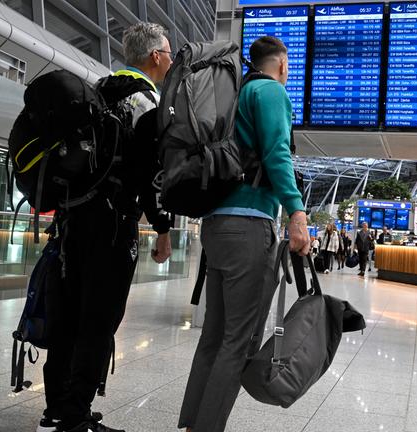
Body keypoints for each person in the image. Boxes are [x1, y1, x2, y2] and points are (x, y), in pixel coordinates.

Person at [41, 22, 174, 432]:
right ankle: (76, 416)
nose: (170, 59)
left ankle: (55, 409)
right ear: (155, 56)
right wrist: (162, 227)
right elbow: (147, 173)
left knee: (68, 313)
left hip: (71, 220)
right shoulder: (146, 102)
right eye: (168, 52)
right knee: (99, 318)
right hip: (113, 224)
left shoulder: (97, 89)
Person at [178, 36, 310, 432]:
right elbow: (277, 153)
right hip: (249, 226)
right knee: (239, 342)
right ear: (283, 64)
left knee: (214, 339)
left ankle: (192, 424)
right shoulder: (270, 91)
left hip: (217, 226)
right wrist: (296, 211)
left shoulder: (233, 97)